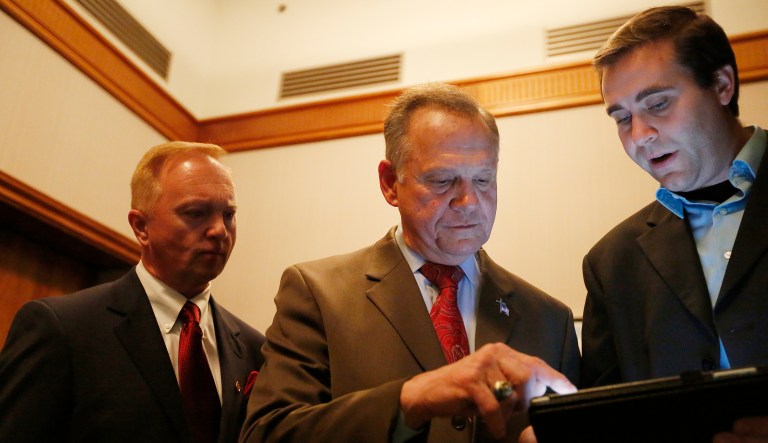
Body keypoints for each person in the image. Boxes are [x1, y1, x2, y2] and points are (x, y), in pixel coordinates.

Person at [240, 82, 579, 443]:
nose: (468, 202)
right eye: (443, 180)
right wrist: (410, 400)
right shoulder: (317, 293)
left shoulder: (550, 320)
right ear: (390, 183)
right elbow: (268, 434)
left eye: (484, 180)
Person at [580, 5, 768, 442]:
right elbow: (605, 422)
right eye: (622, 118)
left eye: (658, 104)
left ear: (722, 85)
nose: (639, 134)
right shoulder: (610, 263)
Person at [0, 141, 266, 443]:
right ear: (141, 227)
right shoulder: (63, 329)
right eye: (196, 213)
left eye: (229, 214)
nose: (219, 230)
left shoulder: (255, 350)